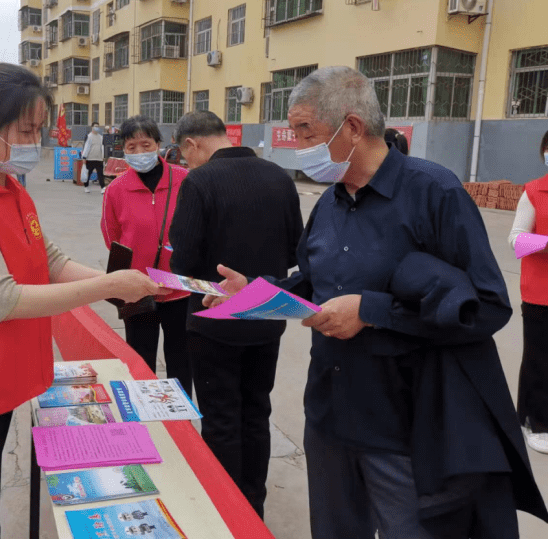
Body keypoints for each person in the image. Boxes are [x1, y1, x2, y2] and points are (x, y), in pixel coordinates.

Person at [204, 66, 548, 538]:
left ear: (352, 127)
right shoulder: (329, 202)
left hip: (404, 430)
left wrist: (371, 312)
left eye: (306, 130)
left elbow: (489, 306)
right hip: (328, 419)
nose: (296, 143)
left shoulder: (435, 193)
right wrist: (258, 292)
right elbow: (312, 278)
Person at [0, 64, 167, 539]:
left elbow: (48, 259)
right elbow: (3, 299)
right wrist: (108, 287)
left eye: (38, 129)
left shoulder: (11, 190)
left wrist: (122, 280)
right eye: (26, 130)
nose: (36, 141)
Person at [169, 110, 303, 518]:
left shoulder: (200, 181)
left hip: (213, 322)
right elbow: (298, 249)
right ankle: (253, 507)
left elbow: (184, 260)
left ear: (192, 144)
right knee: (255, 412)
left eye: (183, 155)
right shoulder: (280, 177)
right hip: (266, 316)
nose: (185, 163)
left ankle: (228, 515)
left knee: (222, 418)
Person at [101, 115, 193, 394]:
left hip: (181, 290)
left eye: (146, 144)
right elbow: (112, 237)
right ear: (123, 150)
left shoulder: (185, 180)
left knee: (181, 362)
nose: (140, 153)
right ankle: (147, 425)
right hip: (137, 290)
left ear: (158, 145)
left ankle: (182, 425)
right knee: (140, 362)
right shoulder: (116, 190)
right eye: (132, 147)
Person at [508, 131, 548, 454]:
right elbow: (516, 240)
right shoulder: (534, 192)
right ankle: (536, 422)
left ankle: (527, 415)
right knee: (538, 358)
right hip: (539, 292)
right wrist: (546, 243)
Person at [82, 122, 106, 193]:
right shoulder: (89, 136)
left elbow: (102, 147)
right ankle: (86, 187)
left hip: (99, 159)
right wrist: (84, 157)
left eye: (98, 126)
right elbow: (86, 147)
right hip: (90, 158)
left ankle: (103, 187)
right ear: (92, 127)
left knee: (100, 174)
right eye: (95, 126)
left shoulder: (101, 137)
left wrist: (103, 156)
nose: (97, 127)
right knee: (88, 174)